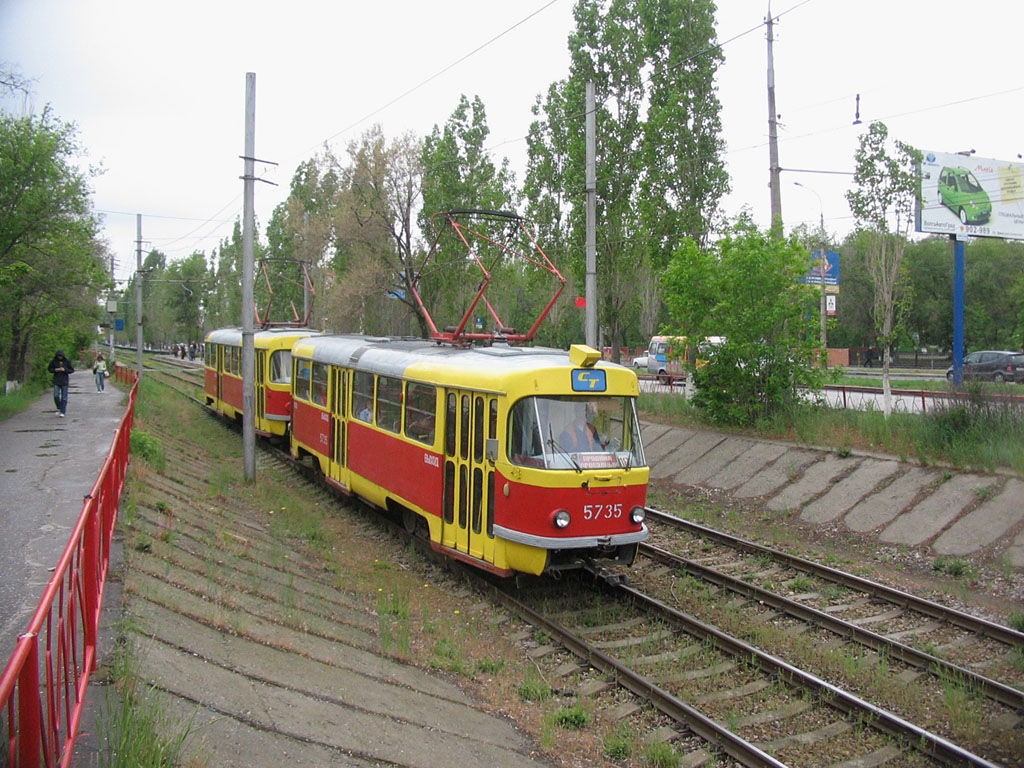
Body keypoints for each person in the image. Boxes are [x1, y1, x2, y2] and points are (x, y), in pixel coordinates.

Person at [48, 350, 75, 417]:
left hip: (64, 381)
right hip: (56, 380)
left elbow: (71, 370)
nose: (60, 357)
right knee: (56, 395)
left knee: (64, 397)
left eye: (61, 356)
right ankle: (59, 407)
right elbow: (49, 369)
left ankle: (63, 411)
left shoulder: (67, 361)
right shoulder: (54, 361)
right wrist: (55, 370)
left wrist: (65, 370)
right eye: (58, 356)